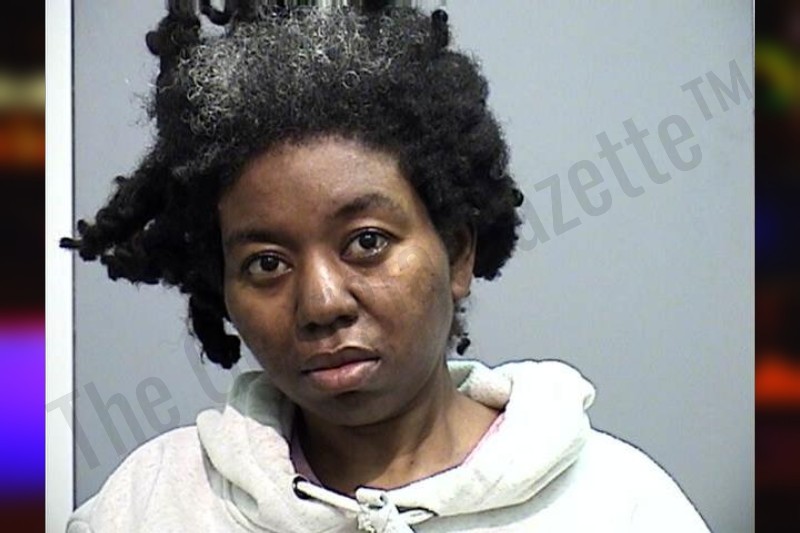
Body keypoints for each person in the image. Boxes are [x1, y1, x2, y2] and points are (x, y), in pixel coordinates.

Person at [62, 1, 710, 531]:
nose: (321, 304)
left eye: (367, 242)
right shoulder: (150, 507)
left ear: (458, 253)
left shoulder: (619, 506)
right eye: (266, 263)